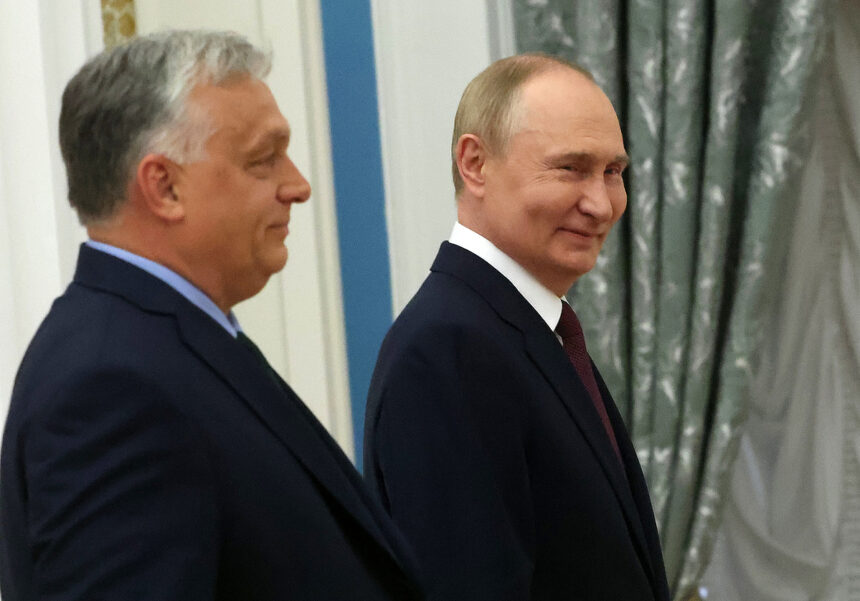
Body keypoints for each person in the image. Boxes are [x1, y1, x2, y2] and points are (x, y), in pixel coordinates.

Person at [0, 30, 423, 601]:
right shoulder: (110, 387)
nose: (298, 186)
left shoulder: (168, 343)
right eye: (263, 159)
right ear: (164, 187)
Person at [364, 54, 670, 600]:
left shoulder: (528, 331)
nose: (601, 204)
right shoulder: (449, 350)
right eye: (570, 168)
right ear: (475, 164)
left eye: (613, 172)